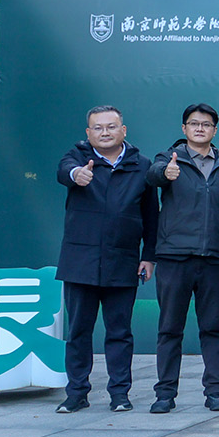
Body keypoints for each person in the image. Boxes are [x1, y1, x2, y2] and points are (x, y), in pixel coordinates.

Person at [54, 106, 158, 413]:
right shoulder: (77, 157)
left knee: (120, 333)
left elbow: (151, 217)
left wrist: (148, 256)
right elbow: (65, 171)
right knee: (78, 332)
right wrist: (77, 174)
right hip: (80, 262)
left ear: (123, 130)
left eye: (111, 127)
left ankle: (120, 394)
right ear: (88, 133)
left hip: (122, 261)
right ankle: (76, 393)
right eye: (98, 128)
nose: (105, 132)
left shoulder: (142, 165)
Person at [146, 103, 219, 413]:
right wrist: (166, 172)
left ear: (215, 130)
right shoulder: (169, 159)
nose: (200, 128)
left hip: (214, 258)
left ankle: (215, 391)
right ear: (184, 128)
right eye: (194, 123)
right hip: (175, 257)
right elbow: (153, 175)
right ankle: (164, 394)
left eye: (206, 124)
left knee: (213, 328)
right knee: (170, 328)